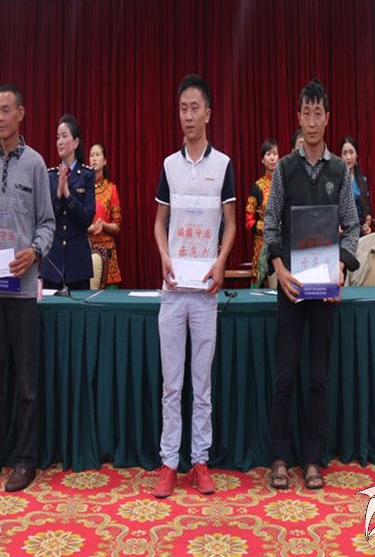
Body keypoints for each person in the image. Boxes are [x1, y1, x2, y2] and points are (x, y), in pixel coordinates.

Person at [264, 78, 359, 491]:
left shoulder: (339, 169)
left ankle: (313, 459)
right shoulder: (285, 168)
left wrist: (341, 267)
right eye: (307, 113)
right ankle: (280, 457)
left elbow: (352, 226)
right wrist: (279, 268)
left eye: (319, 113)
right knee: (285, 375)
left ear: (328, 118)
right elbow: (270, 223)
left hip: (325, 289)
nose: (313, 121)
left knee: (318, 376)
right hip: (290, 286)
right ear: (298, 117)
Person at [0, 85, 55, 493]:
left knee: (27, 384)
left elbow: (47, 223)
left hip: (22, 289)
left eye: (6, 110)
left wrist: (34, 251)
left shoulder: (35, 164)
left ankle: (25, 460)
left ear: (21, 113)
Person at [152, 74, 236, 498]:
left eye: (194, 108)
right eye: (183, 108)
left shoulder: (223, 165)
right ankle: (170, 462)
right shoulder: (170, 165)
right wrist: (164, 255)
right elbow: (159, 223)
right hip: (173, 290)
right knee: (172, 385)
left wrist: (221, 262)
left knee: (200, 385)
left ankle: (199, 461)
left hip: (204, 291)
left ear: (208, 114)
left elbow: (232, 223)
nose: (188, 116)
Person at [41, 115, 96, 292]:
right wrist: (58, 195)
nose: (59, 141)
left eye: (64, 136)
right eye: (58, 137)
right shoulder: (50, 176)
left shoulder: (87, 175)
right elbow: (45, 219)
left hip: (77, 264)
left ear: (75, 142)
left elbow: (87, 218)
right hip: (53, 263)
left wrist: (68, 195)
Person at [245, 138, 278, 287]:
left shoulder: (284, 185)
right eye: (268, 154)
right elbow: (248, 220)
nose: (272, 157)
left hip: (281, 243)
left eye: (275, 153)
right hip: (262, 244)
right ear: (262, 160)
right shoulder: (257, 187)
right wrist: (267, 228)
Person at [88, 143, 122, 288]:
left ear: (105, 161)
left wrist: (104, 225)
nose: (94, 159)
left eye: (97, 155)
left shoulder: (111, 189)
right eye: (91, 155)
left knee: (109, 297)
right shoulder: (83, 189)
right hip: (87, 249)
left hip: (108, 253)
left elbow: (117, 227)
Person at [339, 135, 372, 235]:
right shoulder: (336, 181)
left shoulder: (363, 180)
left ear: (356, 154)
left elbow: (368, 214)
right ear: (340, 156)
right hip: (341, 233)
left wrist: (366, 225)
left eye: (351, 152)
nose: (348, 157)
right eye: (345, 153)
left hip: (359, 233)